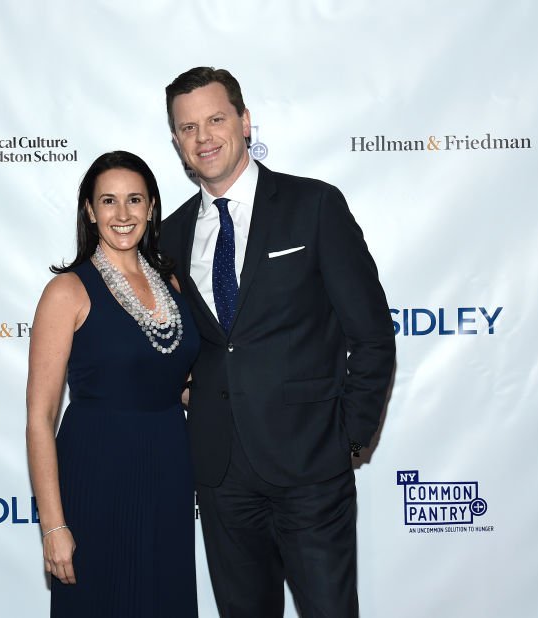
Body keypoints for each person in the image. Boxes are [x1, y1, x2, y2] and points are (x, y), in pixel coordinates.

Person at [160, 67, 396, 617]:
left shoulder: (313, 206)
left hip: (311, 465)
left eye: (216, 119)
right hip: (221, 476)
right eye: (188, 127)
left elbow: (372, 333)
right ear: (177, 142)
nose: (204, 137)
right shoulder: (169, 234)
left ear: (244, 121)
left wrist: (348, 438)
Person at [25, 151, 199, 617]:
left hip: (169, 469)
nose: (122, 215)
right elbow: (40, 418)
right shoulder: (67, 291)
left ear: (151, 208)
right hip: (97, 474)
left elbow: (177, 381)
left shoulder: (174, 284)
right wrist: (53, 526)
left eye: (134, 200)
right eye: (108, 201)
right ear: (89, 210)